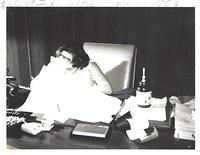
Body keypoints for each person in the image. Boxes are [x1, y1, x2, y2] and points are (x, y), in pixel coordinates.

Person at [17, 41, 120, 123]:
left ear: (79, 63)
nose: (66, 70)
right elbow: (35, 86)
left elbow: (108, 90)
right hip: (58, 105)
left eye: (70, 68)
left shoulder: (90, 66)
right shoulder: (56, 63)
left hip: (82, 103)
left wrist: (86, 89)